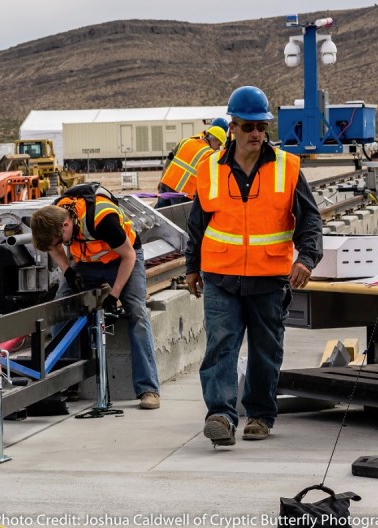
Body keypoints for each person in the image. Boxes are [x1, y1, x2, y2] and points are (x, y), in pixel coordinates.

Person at [184, 86, 323, 446]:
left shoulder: (287, 168)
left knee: (266, 350)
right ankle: (221, 415)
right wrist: (191, 267)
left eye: (261, 126)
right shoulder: (209, 168)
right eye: (249, 127)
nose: (257, 134)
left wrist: (306, 258)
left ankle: (259, 415)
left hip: (268, 277)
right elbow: (197, 223)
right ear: (232, 127)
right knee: (221, 346)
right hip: (220, 276)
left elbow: (310, 220)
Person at [31, 183, 160, 409]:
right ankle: (68, 381)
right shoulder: (55, 214)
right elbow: (53, 246)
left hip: (122, 260)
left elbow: (129, 256)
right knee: (60, 309)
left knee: (137, 312)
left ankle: (148, 389)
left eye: (62, 240)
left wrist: (114, 295)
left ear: (66, 224)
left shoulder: (103, 219)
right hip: (87, 264)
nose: (62, 245)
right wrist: (68, 271)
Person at [155, 125, 227, 208]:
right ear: (213, 140)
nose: (218, 149)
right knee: (178, 219)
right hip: (182, 192)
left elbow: (169, 159)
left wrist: (161, 179)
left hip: (166, 183)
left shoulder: (186, 141)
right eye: (218, 145)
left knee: (158, 214)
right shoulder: (208, 154)